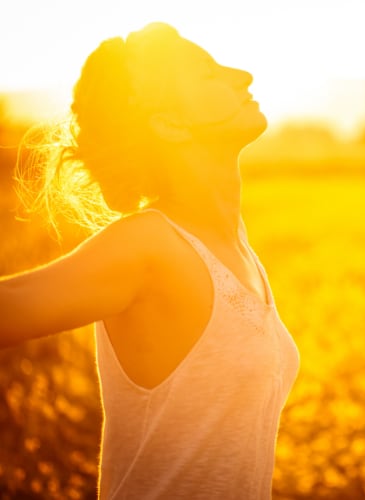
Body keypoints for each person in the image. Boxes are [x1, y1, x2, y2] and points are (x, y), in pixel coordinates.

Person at [0, 22, 300, 499]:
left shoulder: (234, 245)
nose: (242, 75)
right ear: (170, 124)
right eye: (208, 74)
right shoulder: (149, 245)